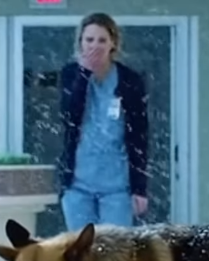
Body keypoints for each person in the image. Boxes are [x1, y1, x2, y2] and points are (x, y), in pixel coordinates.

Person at [58, 12, 149, 231]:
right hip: (78, 184)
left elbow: (140, 134)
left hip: (117, 185)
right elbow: (70, 116)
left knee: (114, 247)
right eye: (89, 40)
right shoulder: (70, 74)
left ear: (113, 44)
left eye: (102, 40)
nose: (95, 46)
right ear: (80, 42)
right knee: (81, 248)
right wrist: (84, 74)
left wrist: (140, 187)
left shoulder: (129, 80)